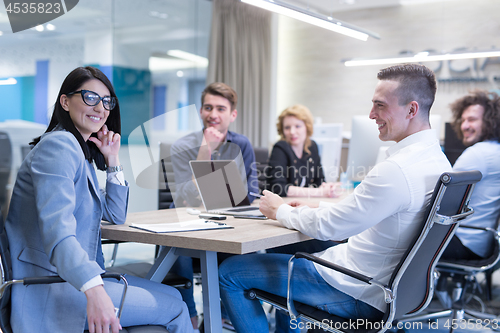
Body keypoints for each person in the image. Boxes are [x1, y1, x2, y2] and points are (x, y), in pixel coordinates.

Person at [218, 63, 452, 333]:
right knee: (298, 255)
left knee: (230, 272)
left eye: (380, 106)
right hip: (385, 287)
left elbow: (334, 227)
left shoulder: (397, 170)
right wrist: (315, 204)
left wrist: (280, 211)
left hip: (356, 289)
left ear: (411, 109)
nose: (371, 114)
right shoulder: (437, 161)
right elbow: (367, 208)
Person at [5, 66, 192, 333]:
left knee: (174, 296)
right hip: (55, 287)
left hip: (72, 278)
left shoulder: (78, 151)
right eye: (90, 97)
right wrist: (95, 291)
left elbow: (115, 215)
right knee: (177, 308)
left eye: (106, 101)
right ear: (65, 101)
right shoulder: (59, 147)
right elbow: (58, 236)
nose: (101, 107)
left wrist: (112, 158)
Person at [170, 82, 258, 330]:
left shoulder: (242, 145)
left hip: (231, 222)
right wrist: (204, 153)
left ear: (233, 115)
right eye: (208, 107)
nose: (213, 114)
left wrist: (204, 193)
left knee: (249, 249)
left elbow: (250, 192)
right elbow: (183, 196)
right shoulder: (181, 146)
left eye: (221, 108)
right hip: (191, 225)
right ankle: (188, 315)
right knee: (177, 249)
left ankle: (227, 311)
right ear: (200, 111)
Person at [440, 90, 500, 260]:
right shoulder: (495, 150)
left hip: (464, 242)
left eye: (472, 120)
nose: (464, 126)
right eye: (463, 120)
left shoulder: (479, 153)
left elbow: (440, 200)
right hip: (483, 243)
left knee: (397, 242)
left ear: (490, 122)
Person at [266, 104, 337, 198]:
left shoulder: (312, 147)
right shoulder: (280, 148)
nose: (292, 132)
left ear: (307, 127)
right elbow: (278, 188)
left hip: (304, 204)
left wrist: (327, 187)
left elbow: (319, 181)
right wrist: (319, 192)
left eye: (297, 126)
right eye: (287, 127)